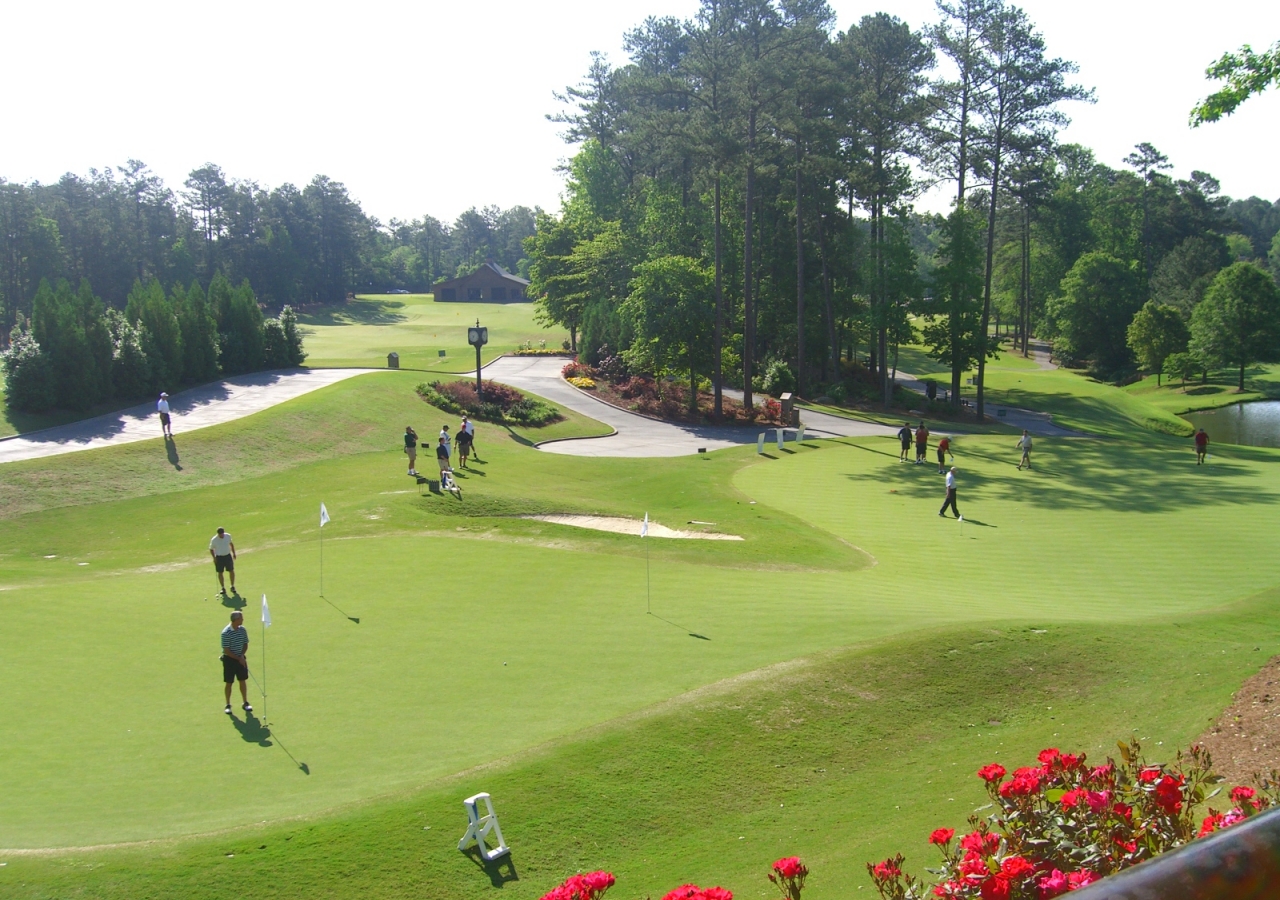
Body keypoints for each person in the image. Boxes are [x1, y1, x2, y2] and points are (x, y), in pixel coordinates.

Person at [221, 610, 252, 715]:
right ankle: (228, 705)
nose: (243, 620)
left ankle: (245, 702)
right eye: (241, 618)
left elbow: (245, 644)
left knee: (242, 680)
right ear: (236, 620)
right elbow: (226, 650)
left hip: (240, 658)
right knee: (229, 682)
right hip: (229, 660)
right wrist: (239, 658)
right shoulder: (226, 632)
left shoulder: (242, 630)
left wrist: (242, 655)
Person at [209, 527, 237, 595]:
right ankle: (223, 588)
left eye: (222, 534)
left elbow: (231, 544)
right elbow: (211, 549)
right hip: (219, 557)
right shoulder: (214, 540)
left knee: (231, 570)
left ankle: (232, 586)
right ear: (218, 534)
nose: (222, 535)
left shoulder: (228, 536)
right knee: (220, 572)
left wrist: (234, 553)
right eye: (220, 534)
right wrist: (214, 558)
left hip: (227, 556)